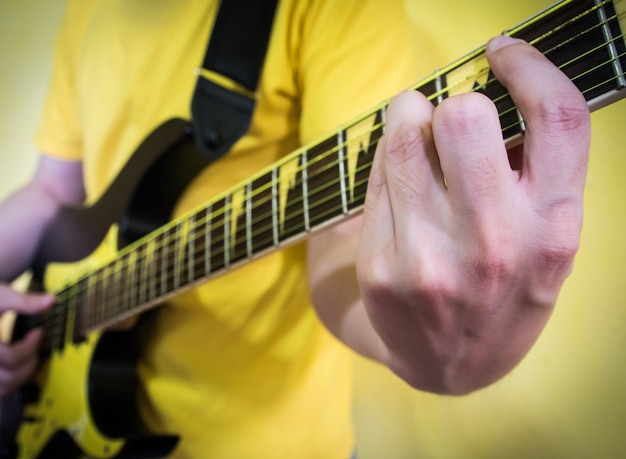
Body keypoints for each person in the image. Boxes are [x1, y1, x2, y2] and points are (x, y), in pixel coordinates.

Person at [0, 0, 591, 458]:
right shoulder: (86, 10)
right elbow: (53, 190)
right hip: (80, 412)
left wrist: (435, 351)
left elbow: (337, 240)